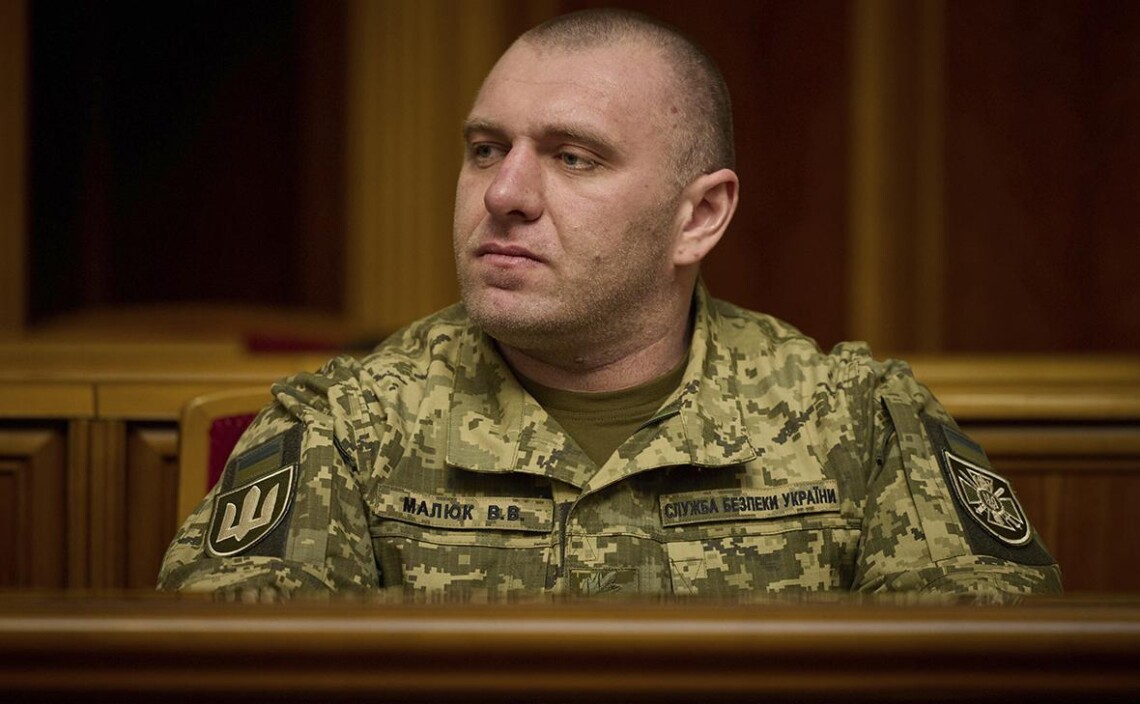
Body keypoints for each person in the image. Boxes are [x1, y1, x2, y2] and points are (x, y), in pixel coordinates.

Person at [159, 8, 1061, 599]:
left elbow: (990, 667)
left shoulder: (857, 423)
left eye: (572, 157)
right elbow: (229, 671)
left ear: (698, 216)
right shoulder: (343, 427)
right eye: (485, 149)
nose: (504, 193)